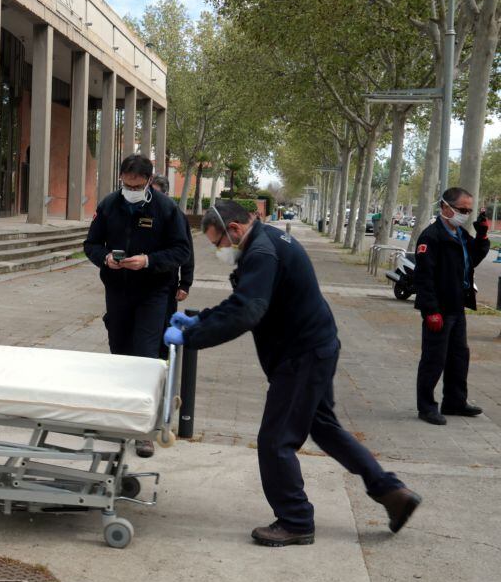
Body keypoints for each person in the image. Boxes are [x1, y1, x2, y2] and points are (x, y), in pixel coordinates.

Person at [164, 200, 420, 547]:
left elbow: (246, 312)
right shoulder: (263, 242)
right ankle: (392, 492)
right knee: (325, 429)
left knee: (275, 441)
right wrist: (201, 318)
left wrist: (192, 337)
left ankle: (296, 520)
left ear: (234, 230)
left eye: (217, 243)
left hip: (301, 356)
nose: (218, 250)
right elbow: (243, 301)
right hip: (313, 347)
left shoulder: (261, 253)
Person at [83, 155, 192, 359]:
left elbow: (182, 250)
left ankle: (149, 388)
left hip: (153, 291)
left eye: (137, 186)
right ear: (121, 178)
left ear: (149, 180)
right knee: (119, 348)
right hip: (117, 290)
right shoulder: (108, 205)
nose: (131, 191)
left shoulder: (166, 208)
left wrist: (148, 261)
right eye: (127, 185)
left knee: (146, 351)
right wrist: (105, 258)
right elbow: (91, 244)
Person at [413, 187, 491, 425]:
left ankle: (455, 401)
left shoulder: (459, 234)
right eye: (462, 209)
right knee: (434, 358)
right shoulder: (431, 237)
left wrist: (482, 235)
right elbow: (423, 278)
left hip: (457, 306)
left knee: (459, 356)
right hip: (440, 309)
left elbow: (472, 262)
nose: (465, 214)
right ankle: (426, 406)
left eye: (469, 210)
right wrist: (430, 310)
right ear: (445, 207)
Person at [149, 175, 194, 361]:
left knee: (163, 327)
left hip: (166, 281)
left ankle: (163, 363)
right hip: (139, 282)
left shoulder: (174, 215)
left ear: (165, 194)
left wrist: (185, 283)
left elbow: (187, 251)